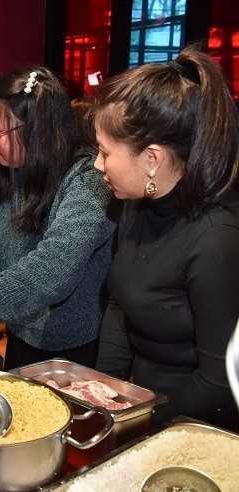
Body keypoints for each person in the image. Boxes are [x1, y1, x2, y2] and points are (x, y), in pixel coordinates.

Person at [92, 45, 239, 430]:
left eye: (105, 153)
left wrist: (140, 422)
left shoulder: (215, 239)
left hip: (200, 420)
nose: (97, 164)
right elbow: (121, 303)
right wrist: (103, 392)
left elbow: (218, 379)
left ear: (152, 159)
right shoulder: (136, 202)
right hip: (147, 400)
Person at [0, 67, 117, 370]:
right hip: (21, 330)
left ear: (37, 130)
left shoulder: (88, 179)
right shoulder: (3, 170)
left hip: (76, 345)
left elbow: (54, 266)